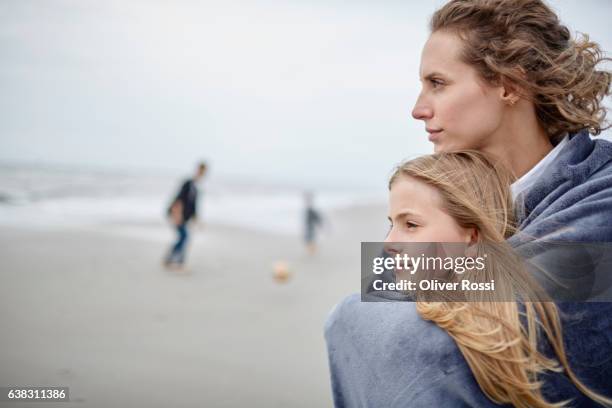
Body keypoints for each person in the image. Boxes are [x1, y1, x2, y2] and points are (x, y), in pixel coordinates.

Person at [326, 0, 612, 405]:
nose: (417, 108)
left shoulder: (602, 193)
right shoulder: (448, 192)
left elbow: (501, 323)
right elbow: (378, 294)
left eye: (437, 83)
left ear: (510, 84)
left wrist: (433, 278)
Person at [325, 151, 612, 407]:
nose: (389, 243)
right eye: (391, 224)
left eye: (410, 225)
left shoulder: (444, 342)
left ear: (472, 237)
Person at [164, 162, 207, 269]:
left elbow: (193, 207)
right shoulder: (188, 183)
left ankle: (174, 260)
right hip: (177, 214)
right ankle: (175, 260)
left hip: (184, 216)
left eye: (204, 172)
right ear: (197, 170)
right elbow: (178, 200)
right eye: (201, 171)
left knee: (184, 237)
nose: (201, 174)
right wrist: (177, 216)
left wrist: (197, 220)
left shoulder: (196, 188)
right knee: (184, 236)